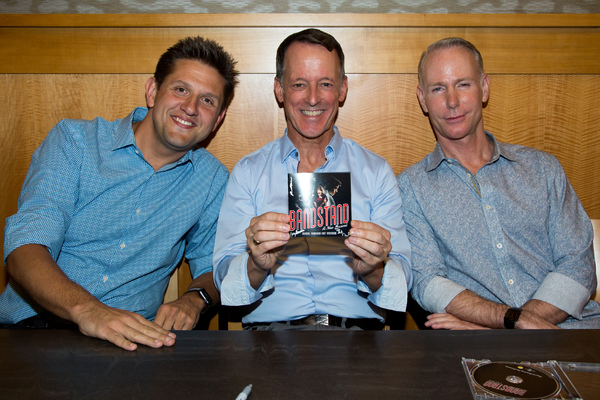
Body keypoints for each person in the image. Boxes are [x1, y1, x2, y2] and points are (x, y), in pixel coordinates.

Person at [0, 36, 239, 349]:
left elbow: (216, 266)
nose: (191, 108)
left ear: (218, 119)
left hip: (131, 345)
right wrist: (89, 310)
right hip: (33, 331)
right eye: (180, 89)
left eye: (208, 101)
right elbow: (25, 248)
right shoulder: (75, 142)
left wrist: (194, 300)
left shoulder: (212, 180)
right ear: (153, 91)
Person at [213, 29, 412, 330]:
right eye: (299, 84)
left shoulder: (376, 172)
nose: (313, 98)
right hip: (269, 341)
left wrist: (372, 269)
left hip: (357, 339)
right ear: (279, 89)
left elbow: (404, 276)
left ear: (342, 89)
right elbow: (224, 276)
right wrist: (256, 264)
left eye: (326, 84)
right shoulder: (248, 172)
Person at [397, 37, 600, 330]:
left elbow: (578, 262)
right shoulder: (411, 189)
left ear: (485, 88)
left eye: (463, 84)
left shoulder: (542, 169)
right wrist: (510, 322)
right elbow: (427, 282)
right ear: (422, 99)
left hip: (573, 334)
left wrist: (507, 329)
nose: (451, 101)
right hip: (482, 351)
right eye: (438, 88)